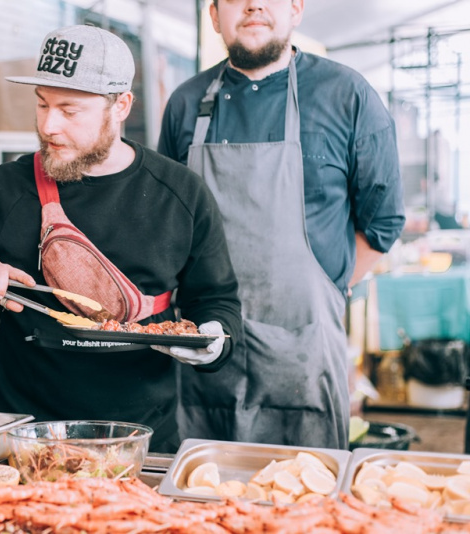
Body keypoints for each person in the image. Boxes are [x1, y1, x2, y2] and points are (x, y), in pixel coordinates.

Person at [0, 24, 242, 452]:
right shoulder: (7, 189)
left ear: (121, 105)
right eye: (42, 104)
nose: (48, 126)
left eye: (69, 111)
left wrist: (213, 341)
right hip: (25, 442)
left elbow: (217, 300)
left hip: (141, 442)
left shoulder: (180, 194)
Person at [158, 0, 405, 449]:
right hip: (208, 352)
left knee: (305, 484)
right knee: (205, 484)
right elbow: (169, 228)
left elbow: (382, 223)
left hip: (304, 360)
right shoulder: (186, 103)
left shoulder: (346, 94)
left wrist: (327, 290)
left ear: (296, 8)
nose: (253, 5)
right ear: (213, 15)